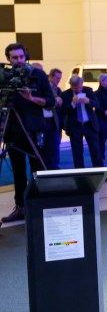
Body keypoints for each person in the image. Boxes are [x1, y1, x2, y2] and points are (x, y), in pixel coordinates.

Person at [1, 43, 54, 223]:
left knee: (37, 170)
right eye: (14, 58)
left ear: (26, 56)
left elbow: (50, 101)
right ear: (8, 59)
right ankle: (21, 208)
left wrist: (31, 98)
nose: (18, 61)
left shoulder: (37, 74)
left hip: (33, 129)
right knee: (17, 171)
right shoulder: (5, 76)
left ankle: (40, 207)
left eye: (21, 57)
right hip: (12, 129)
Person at [60, 75, 103, 170]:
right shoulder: (65, 95)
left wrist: (88, 101)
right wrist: (73, 104)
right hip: (75, 126)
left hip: (89, 124)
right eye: (75, 88)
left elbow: (97, 104)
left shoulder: (88, 91)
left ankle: (100, 171)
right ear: (71, 85)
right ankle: (80, 173)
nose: (78, 89)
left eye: (80, 87)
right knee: (77, 151)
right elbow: (64, 110)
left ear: (82, 84)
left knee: (95, 149)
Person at [38, 67, 64, 170]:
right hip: (42, 120)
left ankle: (54, 167)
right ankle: (44, 167)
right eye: (57, 78)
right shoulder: (43, 88)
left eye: (60, 79)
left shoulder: (58, 90)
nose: (58, 81)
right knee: (43, 146)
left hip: (54, 120)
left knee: (54, 145)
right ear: (50, 76)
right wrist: (54, 101)